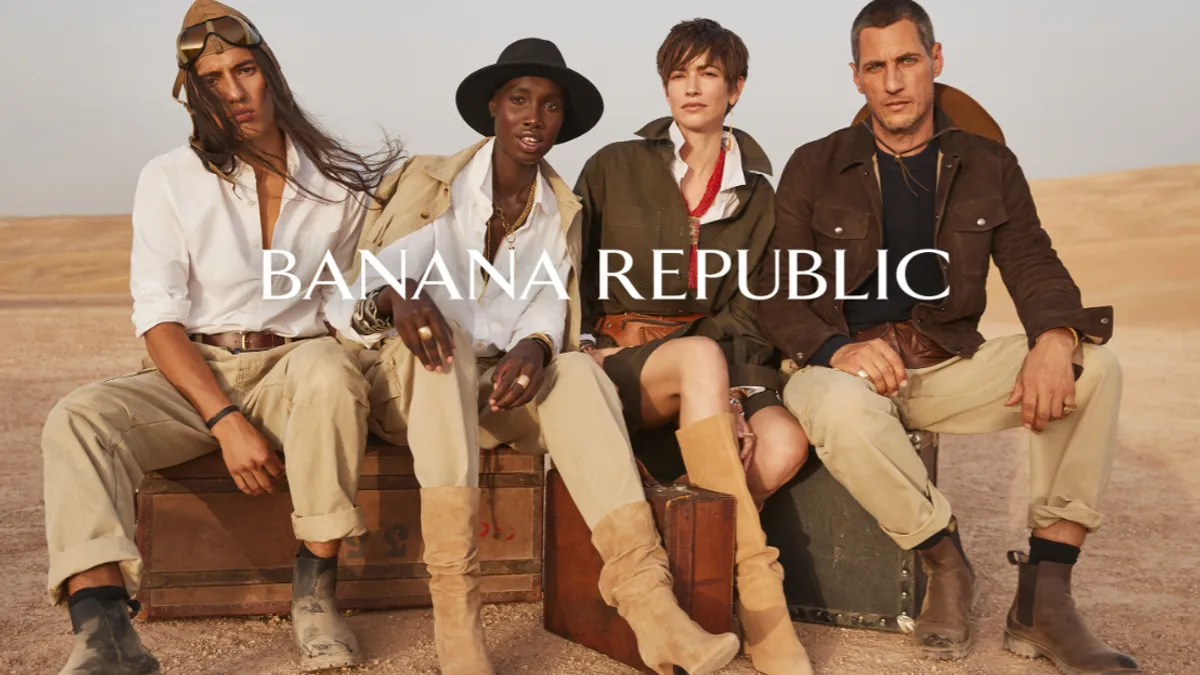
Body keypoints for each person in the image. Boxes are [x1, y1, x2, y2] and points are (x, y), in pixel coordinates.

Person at [328, 38, 741, 675]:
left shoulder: (558, 209)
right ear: (494, 106)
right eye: (519, 99)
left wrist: (536, 344)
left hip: (494, 401)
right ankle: (457, 620)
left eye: (550, 107)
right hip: (411, 391)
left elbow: (549, 303)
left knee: (573, 369)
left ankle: (649, 606)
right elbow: (344, 302)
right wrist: (397, 297)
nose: (533, 117)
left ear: (561, 122)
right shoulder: (429, 184)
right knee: (443, 344)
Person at [757, 1, 1140, 674]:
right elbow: (778, 289)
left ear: (936, 61)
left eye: (907, 61)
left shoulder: (989, 164)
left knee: (1094, 366)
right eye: (876, 67)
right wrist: (836, 349)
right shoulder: (814, 165)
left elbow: (1032, 260)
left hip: (946, 368)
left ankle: (1046, 596)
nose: (893, 81)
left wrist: (1055, 334)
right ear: (856, 78)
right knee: (830, 398)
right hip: (848, 372)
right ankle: (945, 561)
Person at [39, 1, 403, 673]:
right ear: (194, 95)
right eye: (214, 80)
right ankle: (105, 632)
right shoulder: (168, 179)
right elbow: (159, 318)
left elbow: (341, 305)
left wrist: (385, 311)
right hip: (197, 373)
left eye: (245, 69)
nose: (235, 92)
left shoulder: (340, 182)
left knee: (328, 368)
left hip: (296, 366)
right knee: (77, 419)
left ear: (271, 71)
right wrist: (224, 416)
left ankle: (316, 589)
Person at [573, 18, 813, 675]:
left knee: (786, 441)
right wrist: (583, 342)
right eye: (678, 74)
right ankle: (762, 604)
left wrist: (734, 390)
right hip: (617, 364)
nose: (692, 87)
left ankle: (682, 547)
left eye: (708, 73)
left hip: (712, 366)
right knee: (699, 360)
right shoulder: (612, 166)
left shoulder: (762, 195)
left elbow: (750, 313)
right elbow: (567, 272)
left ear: (735, 89)